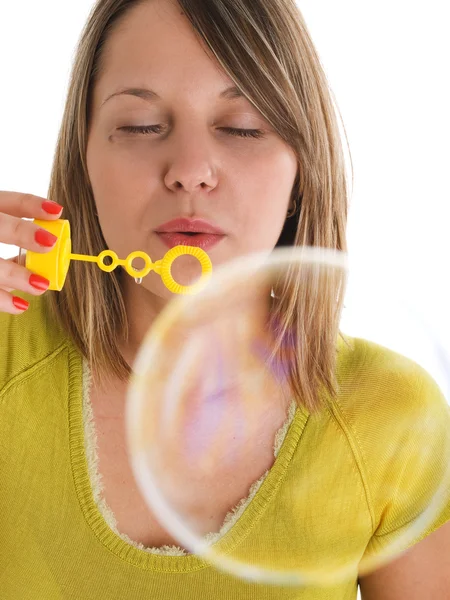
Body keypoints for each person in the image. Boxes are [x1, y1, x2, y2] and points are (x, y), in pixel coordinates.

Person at [0, 1, 449, 598]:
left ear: (301, 173)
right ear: (84, 161)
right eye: (140, 126)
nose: (190, 171)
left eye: (241, 127)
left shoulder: (392, 416)